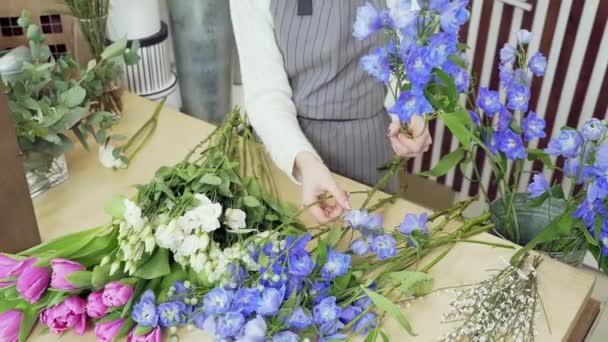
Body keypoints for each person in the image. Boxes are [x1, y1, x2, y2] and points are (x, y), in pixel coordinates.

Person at [230, 0, 431, 223]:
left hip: (370, 149)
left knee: (366, 246)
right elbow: (266, 93)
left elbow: (401, 58)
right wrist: (305, 163)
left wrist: (409, 112)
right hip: (287, 152)